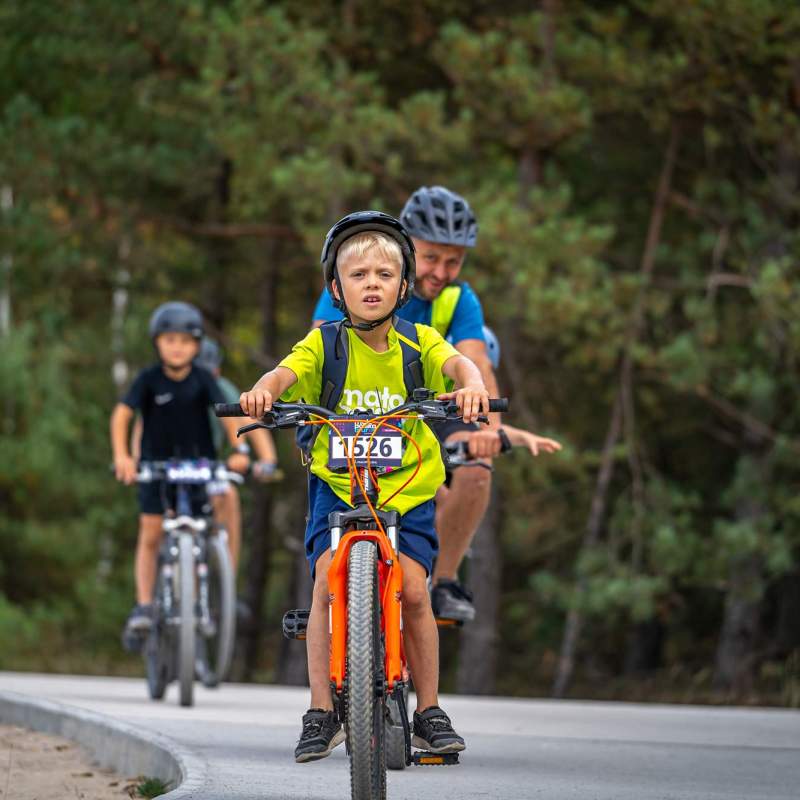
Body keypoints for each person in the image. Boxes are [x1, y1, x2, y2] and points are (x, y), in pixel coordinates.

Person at [239, 211, 489, 762]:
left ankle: (428, 710)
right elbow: (281, 375)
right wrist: (261, 392)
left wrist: (470, 389)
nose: (371, 283)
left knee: (417, 592)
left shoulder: (419, 342)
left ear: (403, 286)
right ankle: (321, 711)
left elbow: (461, 365)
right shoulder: (322, 345)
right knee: (327, 585)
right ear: (336, 287)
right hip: (338, 487)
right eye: (358, 275)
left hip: (405, 489)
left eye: (383, 274)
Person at [312, 186, 554, 622]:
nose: (442, 271)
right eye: (430, 258)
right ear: (406, 249)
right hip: (355, 411)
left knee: (476, 471)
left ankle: (441, 580)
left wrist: (487, 430)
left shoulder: (458, 300)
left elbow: (476, 361)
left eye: (454, 261)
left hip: (429, 411)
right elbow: (317, 355)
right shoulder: (356, 280)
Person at [110, 302, 249, 648]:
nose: (177, 347)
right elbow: (122, 416)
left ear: (198, 345)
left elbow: (227, 415)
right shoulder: (147, 379)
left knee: (210, 518)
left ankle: (211, 587)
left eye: (186, 341)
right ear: (157, 341)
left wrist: (239, 450)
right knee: (151, 533)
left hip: (198, 465)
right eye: (170, 339)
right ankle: (144, 605)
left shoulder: (203, 379)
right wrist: (123, 456)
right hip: (156, 467)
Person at [193, 337, 281, 571]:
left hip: (208, 467)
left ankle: (226, 576)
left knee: (228, 494)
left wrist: (266, 460)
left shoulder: (221, 388)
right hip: (173, 464)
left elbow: (247, 420)